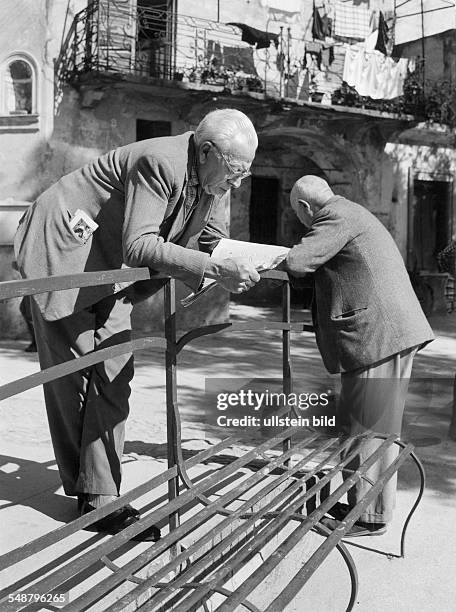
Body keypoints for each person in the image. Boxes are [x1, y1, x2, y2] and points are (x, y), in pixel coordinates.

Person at [14, 109, 260, 539]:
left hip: (112, 269)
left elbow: (212, 240)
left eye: (246, 173)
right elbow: (141, 243)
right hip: (66, 249)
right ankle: (97, 499)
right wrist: (214, 269)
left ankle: (98, 493)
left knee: (114, 371)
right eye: (234, 172)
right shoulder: (161, 161)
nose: (237, 183)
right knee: (75, 375)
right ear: (205, 152)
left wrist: (250, 260)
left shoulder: (217, 175)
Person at [283, 176, 434, 537]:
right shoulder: (350, 212)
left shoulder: (334, 218)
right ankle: (365, 505)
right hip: (388, 332)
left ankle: (369, 517)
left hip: (378, 334)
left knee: (367, 428)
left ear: (304, 208)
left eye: (298, 217)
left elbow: (299, 261)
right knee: (369, 426)